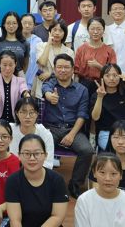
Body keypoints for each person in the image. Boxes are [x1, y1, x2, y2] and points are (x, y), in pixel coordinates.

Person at [41, 53, 94, 198]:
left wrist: (72, 134)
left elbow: (82, 114)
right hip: (50, 128)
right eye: (59, 67)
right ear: (55, 69)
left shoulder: (81, 90)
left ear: (72, 70)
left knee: (87, 150)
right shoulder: (50, 85)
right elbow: (45, 88)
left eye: (66, 67)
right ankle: (44, 183)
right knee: (38, 146)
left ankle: (75, 184)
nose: (62, 70)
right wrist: (48, 95)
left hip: (73, 129)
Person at [5, 134, 68, 227]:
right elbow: (15, 220)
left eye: (37, 153)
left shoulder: (57, 180)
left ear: (45, 155)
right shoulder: (13, 181)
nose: (32, 158)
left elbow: (57, 216)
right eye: (26, 154)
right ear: (19, 156)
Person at [75, 152, 125, 227]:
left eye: (113, 174)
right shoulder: (84, 201)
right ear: (94, 173)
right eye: (102, 172)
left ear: (121, 175)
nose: (108, 179)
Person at [0, 51, 29, 126]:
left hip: (14, 122)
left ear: (15, 64)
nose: (7, 68)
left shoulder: (20, 81)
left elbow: (23, 89)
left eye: (11, 65)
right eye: (4, 65)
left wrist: (26, 94)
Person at [9, 97, 55, 170]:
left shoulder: (45, 134)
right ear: (17, 113)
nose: (28, 116)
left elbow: (48, 164)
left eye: (32, 112)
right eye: (23, 112)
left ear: (37, 114)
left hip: (36, 173)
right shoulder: (9, 130)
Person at [74, 17, 117, 94]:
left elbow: (113, 72)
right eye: (92, 29)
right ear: (88, 30)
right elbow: (76, 72)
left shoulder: (109, 51)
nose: (95, 32)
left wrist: (99, 66)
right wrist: (76, 88)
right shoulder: (81, 49)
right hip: (83, 84)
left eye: (99, 29)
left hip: (103, 84)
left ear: (103, 30)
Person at [33, 19, 74, 98]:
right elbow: (42, 62)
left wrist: (50, 74)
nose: (57, 33)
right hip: (41, 89)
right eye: (54, 30)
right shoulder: (41, 46)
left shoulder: (69, 52)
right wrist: (48, 43)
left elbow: (70, 73)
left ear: (64, 34)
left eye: (61, 31)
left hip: (62, 90)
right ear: (50, 31)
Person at [0, 11, 29, 77]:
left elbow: (25, 64)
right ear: (4, 24)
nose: (11, 26)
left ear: (18, 24)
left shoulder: (25, 43)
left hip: (19, 78)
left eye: (14, 23)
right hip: (0, 78)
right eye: (8, 23)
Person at [20, 13, 43, 92]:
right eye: (24, 23)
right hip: (16, 81)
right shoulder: (14, 39)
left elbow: (40, 62)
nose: (27, 26)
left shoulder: (38, 41)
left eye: (30, 24)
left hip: (32, 82)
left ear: (34, 25)